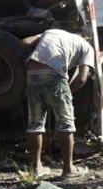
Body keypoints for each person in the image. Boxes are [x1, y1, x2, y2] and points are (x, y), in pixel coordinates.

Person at [21, 29, 95, 178]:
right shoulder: (87, 46)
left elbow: (24, 42)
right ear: (87, 38)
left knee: (35, 123)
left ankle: (36, 167)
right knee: (66, 122)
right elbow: (82, 78)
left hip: (31, 71)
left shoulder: (51, 32)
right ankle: (68, 169)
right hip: (54, 73)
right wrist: (66, 94)